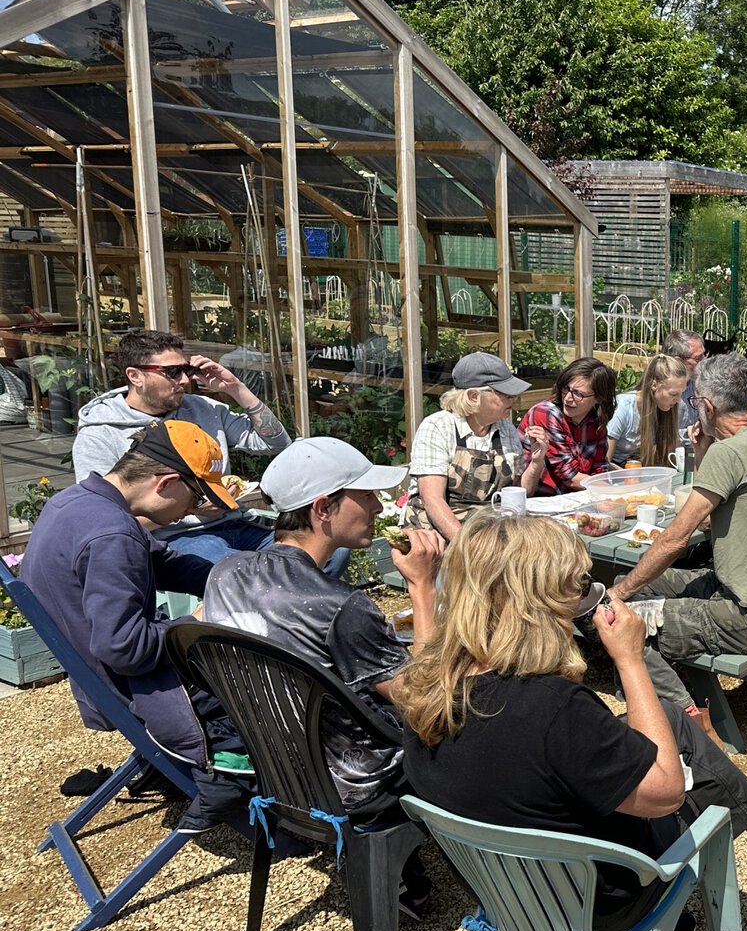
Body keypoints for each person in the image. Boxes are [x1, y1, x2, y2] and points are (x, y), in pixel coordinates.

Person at [396, 514, 747, 931]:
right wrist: (631, 661)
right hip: (600, 903)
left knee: (675, 722)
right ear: (540, 602)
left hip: (513, 898)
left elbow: (432, 660)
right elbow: (666, 795)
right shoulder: (555, 710)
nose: (585, 599)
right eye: (580, 586)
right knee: (699, 781)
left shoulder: (425, 692)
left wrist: (421, 589)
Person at [24, 420, 249, 830]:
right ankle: (235, 785)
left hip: (94, 674)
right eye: (195, 495)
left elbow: (161, 561)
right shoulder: (114, 533)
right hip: (131, 689)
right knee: (268, 670)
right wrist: (195, 624)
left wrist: (230, 577)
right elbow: (124, 648)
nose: (192, 510)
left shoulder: (79, 502)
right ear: (165, 483)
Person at [205, 438, 445, 815]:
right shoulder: (340, 604)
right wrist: (422, 586)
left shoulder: (224, 574)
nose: (378, 507)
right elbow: (427, 700)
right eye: (366, 496)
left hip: (276, 769)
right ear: (323, 508)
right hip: (355, 780)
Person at [607, 353, 747, 719]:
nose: (693, 410)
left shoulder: (728, 453)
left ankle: (689, 722)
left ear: (708, 406)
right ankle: (656, 694)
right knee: (630, 585)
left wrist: (618, 595)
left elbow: (674, 540)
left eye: (695, 402)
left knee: (628, 623)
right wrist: (700, 455)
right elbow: (710, 524)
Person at [73, 328, 292, 563]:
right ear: (135, 376)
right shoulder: (99, 435)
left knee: (326, 555)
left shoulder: (202, 408)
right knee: (248, 574)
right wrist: (189, 509)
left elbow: (277, 443)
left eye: (187, 370)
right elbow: (102, 520)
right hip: (175, 537)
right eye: (172, 372)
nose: (185, 380)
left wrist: (235, 388)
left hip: (237, 524)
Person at [404, 352, 545, 541]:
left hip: (488, 532)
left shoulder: (505, 428)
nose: (514, 398)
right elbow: (433, 501)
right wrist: (468, 547)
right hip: (440, 536)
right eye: (505, 393)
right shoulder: (438, 427)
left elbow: (519, 493)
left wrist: (536, 462)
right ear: (473, 396)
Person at [525, 357, 616, 495]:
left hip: (576, 500)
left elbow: (599, 470)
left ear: (599, 398)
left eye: (578, 394)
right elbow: (570, 477)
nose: (567, 398)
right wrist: (612, 491)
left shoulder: (596, 422)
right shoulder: (546, 413)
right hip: (541, 500)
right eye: (566, 389)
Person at [608, 354, 688, 468]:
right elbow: (604, 460)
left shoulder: (672, 409)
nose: (678, 400)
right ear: (654, 385)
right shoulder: (623, 407)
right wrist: (628, 476)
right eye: (673, 394)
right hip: (617, 472)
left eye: (682, 393)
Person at [663, 328, 706, 436]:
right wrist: (688, 434)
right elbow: (657, 434)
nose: (704, 361)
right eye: (698, 358)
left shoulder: (697, 384)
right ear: (678, 361)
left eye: (704, 355)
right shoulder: (659, 389)